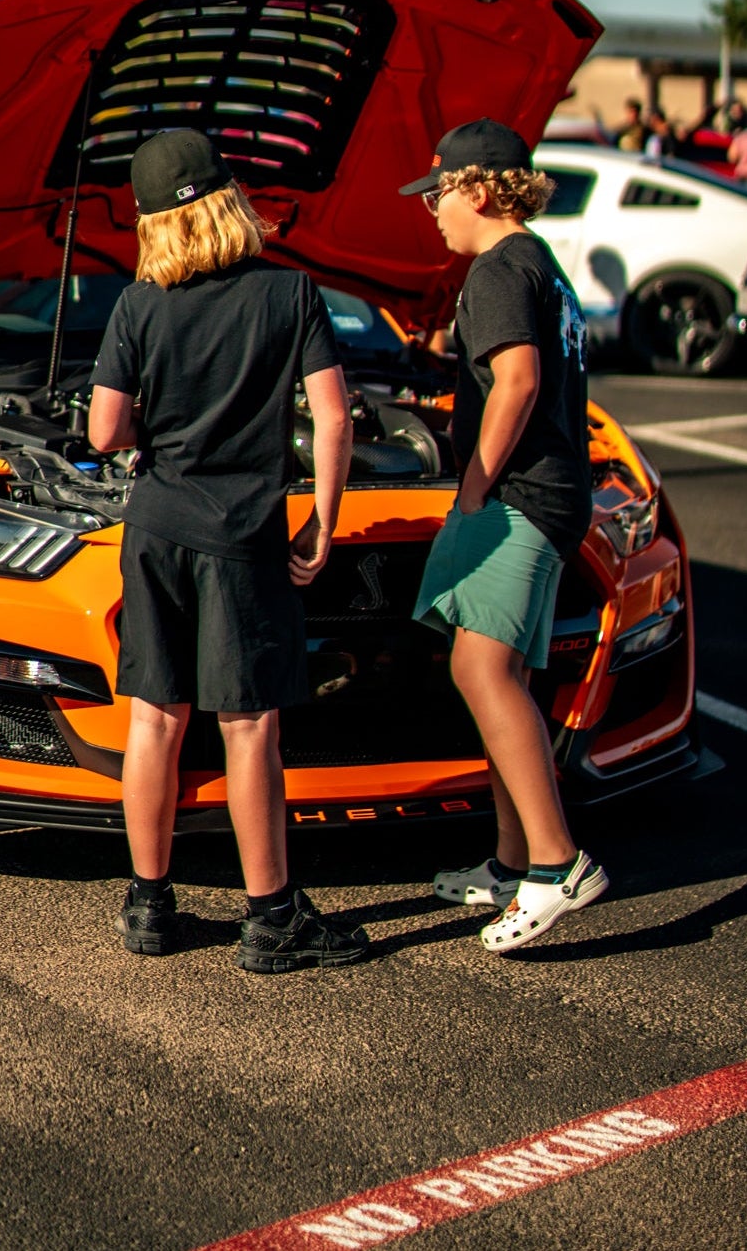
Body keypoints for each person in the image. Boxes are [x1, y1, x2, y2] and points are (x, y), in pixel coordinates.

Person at [89, 127, 368, 974]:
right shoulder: (290, 294)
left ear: (149, 223)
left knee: (155, 717)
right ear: (229, 197)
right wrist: (320, 518)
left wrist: (150, 425)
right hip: (245, 538)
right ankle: (271, 918)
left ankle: (148, 904)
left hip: (158, 529)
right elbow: (335, 416)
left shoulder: (137, 305)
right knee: (249, 728)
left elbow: (105, 430)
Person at [397, 119, 607, 952]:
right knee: (500, 672)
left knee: (479, 666)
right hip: (557, 495)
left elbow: (517, 380)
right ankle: (511, 859)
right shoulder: (540, 265)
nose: (432, 209)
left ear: (479, 189)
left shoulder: (494, 269)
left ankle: (559, 864)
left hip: (523, 495)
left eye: (440, 189)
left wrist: (473, 491)